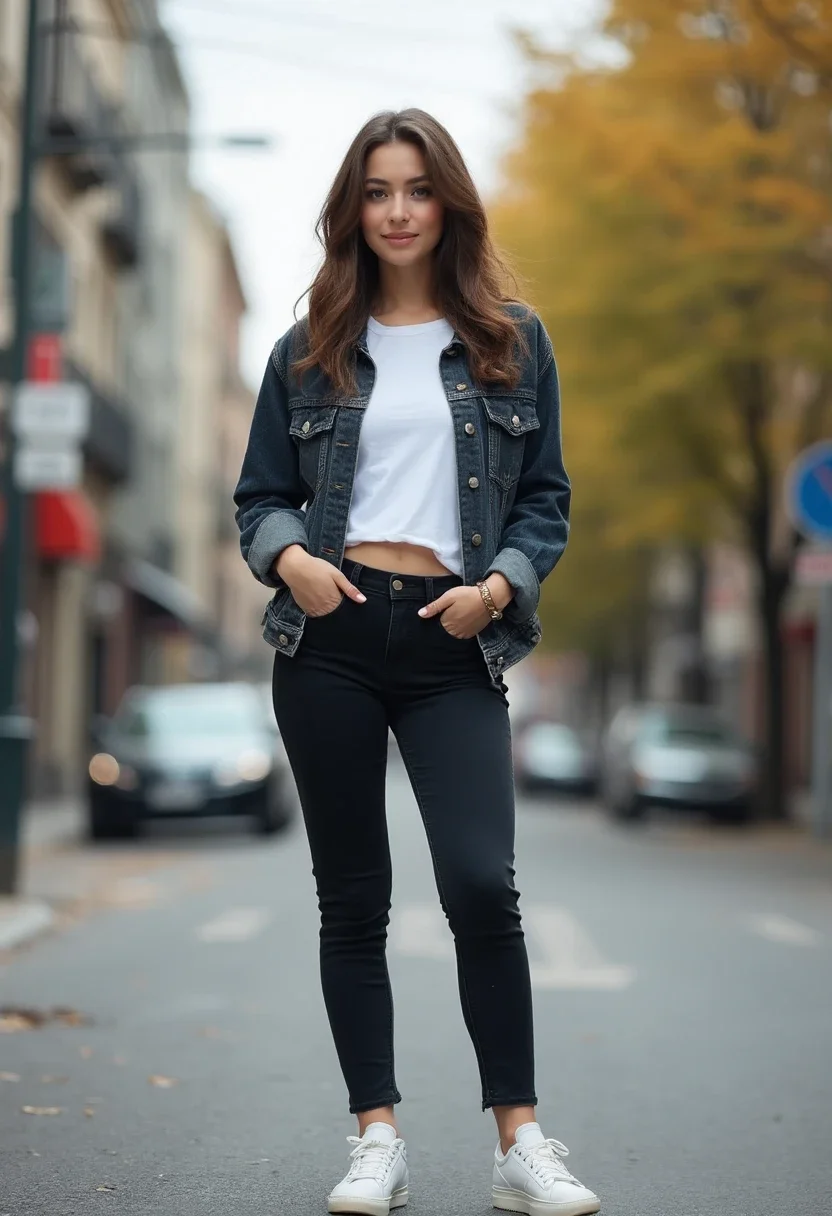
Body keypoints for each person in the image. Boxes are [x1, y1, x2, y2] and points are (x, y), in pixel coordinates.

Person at [234, 108, 600, 1216]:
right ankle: (375, 1135)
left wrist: (499, 587)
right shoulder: (306, 349)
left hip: (451, 636)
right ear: (354, 209)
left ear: (449, 203)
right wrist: (288, 556)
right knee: (353, 899)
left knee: (482, 885)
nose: (397, 211)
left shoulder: (509, 339)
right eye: (377, 191)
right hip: (331, 636)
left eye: (416, 189)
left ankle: (518, 1141)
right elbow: (259, 495)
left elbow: (544, 501)